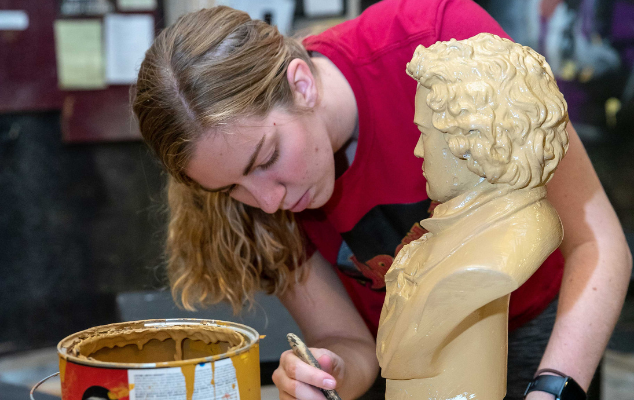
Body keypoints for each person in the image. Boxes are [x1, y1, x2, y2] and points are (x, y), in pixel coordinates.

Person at [132, 0, 632, 399]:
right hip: (400, 367)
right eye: (231, 188)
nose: (266, 201)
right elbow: (350, 343)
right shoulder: (256, 197)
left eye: (265, 159)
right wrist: (329, 372)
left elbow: (598, 243)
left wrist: (553, 386)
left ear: (301, 84)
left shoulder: (442, 40)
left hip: (540, 337)